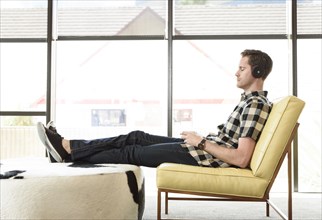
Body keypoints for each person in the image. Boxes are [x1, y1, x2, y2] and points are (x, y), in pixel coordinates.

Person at [37, 49, 273, 169]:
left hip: (204, 156)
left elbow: (241, 159)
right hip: (203, 149)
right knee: (136, 137)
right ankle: (69, 147)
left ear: (258, 73)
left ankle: (67, 152)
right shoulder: (249, 101)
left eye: (242, 68)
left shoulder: (255, 105)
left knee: (132, 152)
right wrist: (200, 141)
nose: (236, 72)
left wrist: (200, 142)